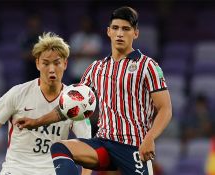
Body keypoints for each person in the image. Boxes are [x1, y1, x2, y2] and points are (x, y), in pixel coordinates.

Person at [15, 6, 172, 175]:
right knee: (60, 148)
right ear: (108, 32)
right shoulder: (96, 68)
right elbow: (70, 106)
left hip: (133, 147)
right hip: (103, 145)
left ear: (135, 33)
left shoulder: (148, 66)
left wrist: (149, 138)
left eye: (126, 29)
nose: (120, 33)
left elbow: (165, 109)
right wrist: (37, 121)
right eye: (115, 28)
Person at [0, 32, 92, 175]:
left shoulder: (75, 102)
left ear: (65, 64)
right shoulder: (18, 93)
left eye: (57, 63)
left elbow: (86, 147)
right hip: (16, 170)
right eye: (46, 63)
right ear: (38, 63)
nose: (51, 69)